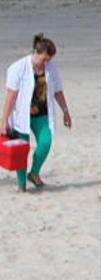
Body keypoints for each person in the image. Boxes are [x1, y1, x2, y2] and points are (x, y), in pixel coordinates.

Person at [2, 35, 72, 193]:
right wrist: (4, 120)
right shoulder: (18, 68)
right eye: (44, 59)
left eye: (49, 60)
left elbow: (58, 91)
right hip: (21, 117)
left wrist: (65, 112)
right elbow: (11, 97)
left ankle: (34, 173)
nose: (46, 63)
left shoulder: (52, 69)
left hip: (41, 115)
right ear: (35, 52)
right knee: (22, 151)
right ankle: (21, 186)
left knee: (45, 142)